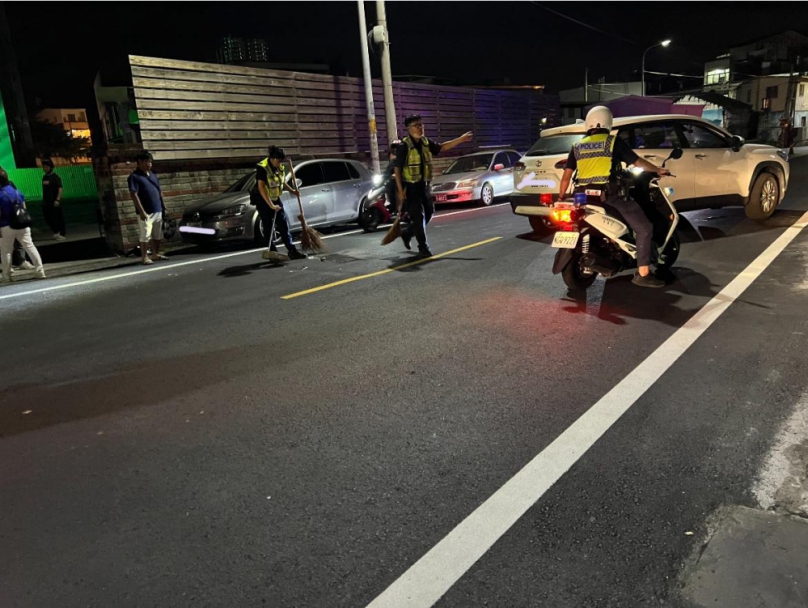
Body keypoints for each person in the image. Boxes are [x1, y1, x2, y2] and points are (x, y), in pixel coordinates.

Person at [557, 106, 671, 288]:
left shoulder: (577, 146)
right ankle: (643, 273)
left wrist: (562, 197)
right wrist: (658, 170)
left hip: (582, 197)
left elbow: (566, 176)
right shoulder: (612, 142)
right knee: (644, 228)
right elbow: (637, 162)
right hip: (609, 196)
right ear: (608, 123)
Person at [394, 114, 473, 257]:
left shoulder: (425, 142)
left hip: (424, 186)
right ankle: (423, 247)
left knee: (429, 212)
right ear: (409, 128)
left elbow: (441, 147)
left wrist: (461, 139)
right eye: (416, 125)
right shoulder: (403, 146)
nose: (420, 128)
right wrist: (400, 190)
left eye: (421, 125)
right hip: (411, 188)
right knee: (418, 216)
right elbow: (397, 169)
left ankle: (407, 233)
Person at [253, 145, 306, 260]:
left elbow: (281, 181)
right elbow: (261, 187)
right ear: (274, 158)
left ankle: (292, 251)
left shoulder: (279, 167)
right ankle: (272, 252)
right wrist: (271, 205)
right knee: (268, 226)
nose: (280, 163)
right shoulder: (262, 167)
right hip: (263, 200)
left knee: (283, 224)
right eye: (279, 160)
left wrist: (292, 191)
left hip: (275, 198)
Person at [0, 168, 46, 282]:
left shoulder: (0, 194)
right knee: (30, 246)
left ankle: (6, 276)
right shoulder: (16, 191)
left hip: (6, 225)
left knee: (6, 251)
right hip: (22, 223)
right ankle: (40, 271)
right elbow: (24, 206)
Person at [128, 151, 168, 265]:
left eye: (150, 162)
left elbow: (159, 191)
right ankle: (144, 257)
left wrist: (163, 206)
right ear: (139, 162)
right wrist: (141, 211)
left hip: (157, 209)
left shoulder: (153, 175)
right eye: (146, 161)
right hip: (145, 211)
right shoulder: (134, 177)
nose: (149, 164)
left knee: (157, 234)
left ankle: (155, 253)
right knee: (145, 234)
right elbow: (134, 194)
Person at [41, 158, 66, 241]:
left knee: (59, 218)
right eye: (44, 167)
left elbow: (60, 188)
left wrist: (57, 200)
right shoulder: (44, 177)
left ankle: (62, 234)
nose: (45, 169)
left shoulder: (55, 177)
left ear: (50, 167)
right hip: (46, 202)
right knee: (47, 217)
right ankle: (56, 231)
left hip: (54, 201)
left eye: (46, 167)